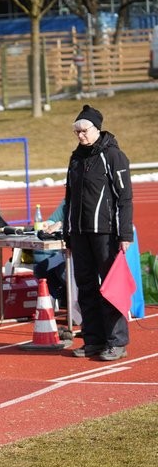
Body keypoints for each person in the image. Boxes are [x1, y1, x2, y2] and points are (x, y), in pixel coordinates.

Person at [64, 105, 133, 361]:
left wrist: (124, 235)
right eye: (76, 131)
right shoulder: (76, 158)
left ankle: (116, 342)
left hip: (106, 233)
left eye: (83, 131)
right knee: (86, 288)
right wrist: (67, 234)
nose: (80, 136)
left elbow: (125, 198)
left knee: (110, 288)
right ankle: (93, 340)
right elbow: (69, 198)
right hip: (80, 234)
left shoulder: (114, 156)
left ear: (96, 128)